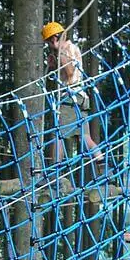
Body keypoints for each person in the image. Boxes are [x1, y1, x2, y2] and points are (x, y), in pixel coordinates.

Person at [41, 21, 102, 160]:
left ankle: (55, 170)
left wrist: (59, 51)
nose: (49, 46)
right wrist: (53, 63)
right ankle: (102, 163)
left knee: (58, 134)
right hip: (79, 97)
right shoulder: (67, 50)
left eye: (49, 42)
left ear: (54, 39)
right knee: (85, 137)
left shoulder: (67, 49)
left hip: (70, 97)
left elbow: (69, 72)